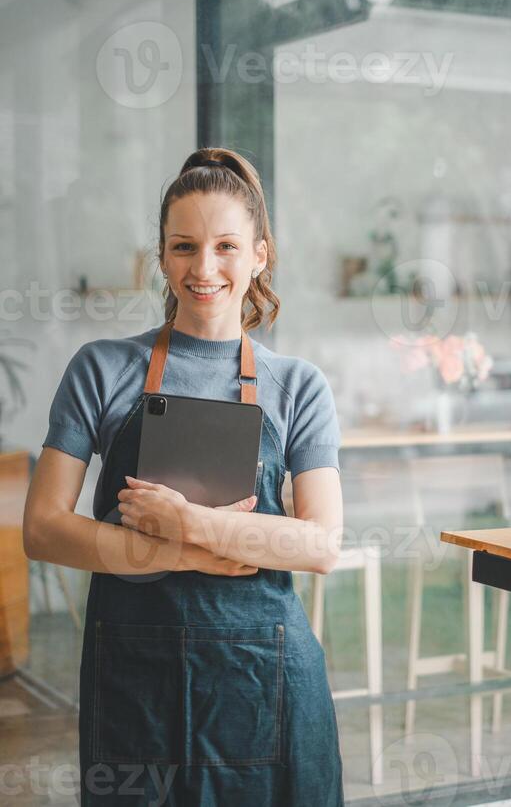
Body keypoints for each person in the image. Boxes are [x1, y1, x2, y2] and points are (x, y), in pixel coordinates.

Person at [23, 147, 345, 806]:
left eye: (227, 246)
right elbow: (43, 529)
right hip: (133, 679)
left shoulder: (298, 387)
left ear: (260, 254)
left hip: (266, 679)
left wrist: (192, 523)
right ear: (163, 256)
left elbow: (320, 545)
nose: (203, 268)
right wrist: (174, 548)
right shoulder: (101, 368)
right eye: (183, 246)